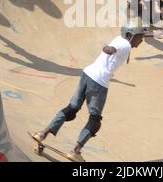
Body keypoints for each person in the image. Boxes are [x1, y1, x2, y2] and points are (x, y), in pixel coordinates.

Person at [31, 24, 148, 162]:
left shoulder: (119, 38)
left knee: (72, 108)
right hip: (99, 82)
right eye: (140, 38)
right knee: (95, 120)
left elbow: (118, 45)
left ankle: (42, 134)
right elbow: (112, 50)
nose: (141, 42)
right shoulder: (126, 45)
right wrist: (107, 49)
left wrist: (149, 33)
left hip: (87, 74)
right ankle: (75, 151)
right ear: (131, 36)